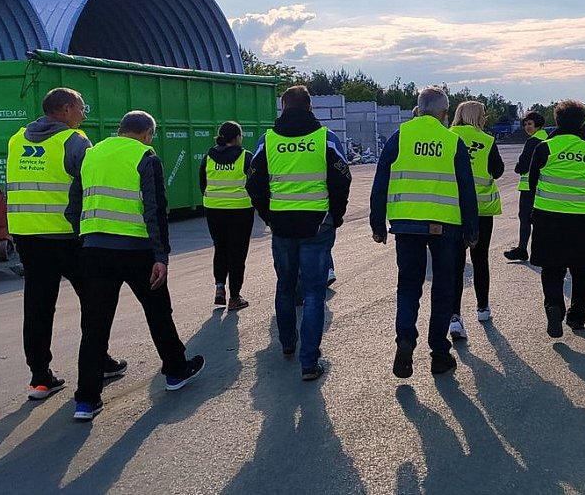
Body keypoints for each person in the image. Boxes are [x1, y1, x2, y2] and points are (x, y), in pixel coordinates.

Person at [67, 111, 205, 421]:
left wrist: (85, 240)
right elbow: (155, 209)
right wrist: (161, 256)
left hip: (95, 250)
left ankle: (86, 401)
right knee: (158, 313)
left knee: (94, 326)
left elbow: (73, 206)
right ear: (146, 134)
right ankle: (175, 372)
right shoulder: (146, 156)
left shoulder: (91, 154)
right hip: (137, 251)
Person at [6, 87, 125, 401]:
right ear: (67, 109)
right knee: (95, 300)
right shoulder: (75, 141)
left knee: (37, 306)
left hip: (27, 237)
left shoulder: (16, 140)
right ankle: (98, 362)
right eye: (82, 107)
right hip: (68, 238)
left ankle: (40, 377)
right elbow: (91, 184)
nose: (84, 114)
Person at [370, 87, 478, 379]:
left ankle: (405, 340)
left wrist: (377, 222)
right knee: (443, 288)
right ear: (445, 113)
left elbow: (381, 180)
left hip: (406, 224)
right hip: (445, 226)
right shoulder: (451, 141)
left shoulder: (399, 137)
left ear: (417, 109)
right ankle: (439, 353)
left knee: (408, 286)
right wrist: (472, 228)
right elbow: (466, 188)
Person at [247, 86, 351, 381]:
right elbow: (343, 178)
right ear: (309, 106)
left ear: (282, 107)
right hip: (317, 225)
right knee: (314, 294)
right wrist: (336, 215)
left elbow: (253, 183)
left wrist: (268, 215)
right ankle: (309, 362)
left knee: (285, 285)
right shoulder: (325, 138)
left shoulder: (267, 141)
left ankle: (288, 345)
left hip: (282, 225)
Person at [528, 100, 585, 338]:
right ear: (582, 123)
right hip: (584, 219)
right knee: (581, 269)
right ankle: (577, 315)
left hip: (549, 217)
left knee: (552, 268)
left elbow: (532, 183)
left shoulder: (545, 148)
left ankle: (554, 306)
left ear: (557, 121)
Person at [447, 100, 504, 340]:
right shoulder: (488, 141)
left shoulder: (447, 136)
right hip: (481, 210)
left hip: (452, 209)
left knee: (455, 265)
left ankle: (454, 317)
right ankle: (482, 307)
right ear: (478, 116)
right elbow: (498, 171)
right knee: (480, 259)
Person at [199, 120, 255, 311]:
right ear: (237, 137)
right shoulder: (246, 157)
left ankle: (219, 288)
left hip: (214, 210)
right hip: (240, 211)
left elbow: (202, 184)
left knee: (220, 248)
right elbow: (254, 183)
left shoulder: (208, 157)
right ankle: (235, 297)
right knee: (237, 253)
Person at [503, 111, 547, 261]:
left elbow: (523, 165)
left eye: (530, 124)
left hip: (529, 187)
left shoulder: (533, 142)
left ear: (538, 125)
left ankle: (522, 249)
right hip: (543, 186)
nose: (527, 127)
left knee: (525, 218)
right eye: (525, 124)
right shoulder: (547, 139)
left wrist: (518, 167)